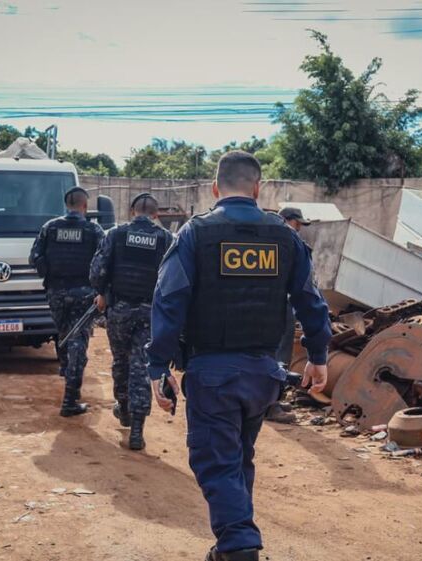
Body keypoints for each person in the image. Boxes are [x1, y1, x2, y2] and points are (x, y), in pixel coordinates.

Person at [146, 151, 332, 561]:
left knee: (216, 461)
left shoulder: (195, 234)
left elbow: (169, 302)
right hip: (263, 376)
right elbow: (311, 300)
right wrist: (319, 355)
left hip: (213, 375)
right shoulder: (285, 236)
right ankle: (228, 546)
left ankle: (238, 545)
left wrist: (158, 365)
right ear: (257, 188)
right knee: (238, 458)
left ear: (215, 188)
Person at [89, 193, 173, 450]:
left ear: (131, 210)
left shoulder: (115, 234)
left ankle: (124, 408)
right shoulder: (166, 238)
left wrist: (102, 293)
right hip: (151, 312)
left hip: (120, 310)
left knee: (121, 360)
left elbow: (97, 271)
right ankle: (137, 429)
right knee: (142, 365)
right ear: (156, 214)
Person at [29, 186, 104, 417]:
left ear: (66, 205)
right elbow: (104, 262)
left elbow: (34, 257)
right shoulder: (93, 230)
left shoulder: (50, 228)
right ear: (84, 206)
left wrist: (50, 276)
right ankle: (70, 399)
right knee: (77, 342)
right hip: (83, 293)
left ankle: (67, 371)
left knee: (64, 336)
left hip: (56, 293)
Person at [265, 207, 313, 424]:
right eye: (297, 223)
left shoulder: (271, 239)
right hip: (277, 304)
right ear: (285, 220)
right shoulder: (282, 241)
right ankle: (271, 405)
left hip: (275, 303)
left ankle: (273, 399)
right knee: (278, 356)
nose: (299, 227)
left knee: (279, 353)